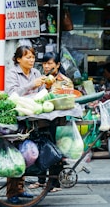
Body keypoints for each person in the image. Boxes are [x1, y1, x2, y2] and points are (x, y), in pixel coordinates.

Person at [5, 45, 46, 204]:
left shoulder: (36, 72)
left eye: (33, 57)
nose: (31, 60)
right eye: (28, 57)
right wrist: (32, 85)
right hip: (18, 119)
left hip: (35, 116)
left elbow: (42, 93)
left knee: (28, 153)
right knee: (16, 155)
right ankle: (12, 192)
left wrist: (45, 87)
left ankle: (20, 189)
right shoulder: (12, 73)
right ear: (18, 59)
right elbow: (11, 94)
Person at [28, 52, 73, 193]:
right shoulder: (39, 78)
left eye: (50, 64)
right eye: (44, 64)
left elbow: (68, 100)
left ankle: (55, 183)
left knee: (55, 151)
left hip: (57, 122)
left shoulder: (65, 81)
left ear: (58, 65)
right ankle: (41, 180)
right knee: (41, 149)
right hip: (41, 121)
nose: (46, 67)